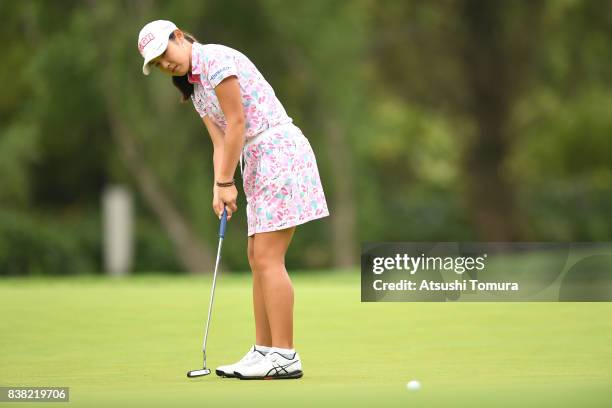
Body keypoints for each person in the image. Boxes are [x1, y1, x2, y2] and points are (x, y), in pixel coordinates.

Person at [137, 20, 329, 380]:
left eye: (165, 54)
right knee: (257, 256)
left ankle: (285, 354)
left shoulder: (215, 59)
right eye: (158, 64)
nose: (166, 64)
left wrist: (227, 180)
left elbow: (237, 122)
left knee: (269, 257)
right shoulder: (194, 87)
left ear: (179, 37)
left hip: (278, 151)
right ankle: (264, 351)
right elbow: (220, 141)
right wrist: (218, 185)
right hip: (255, 160)